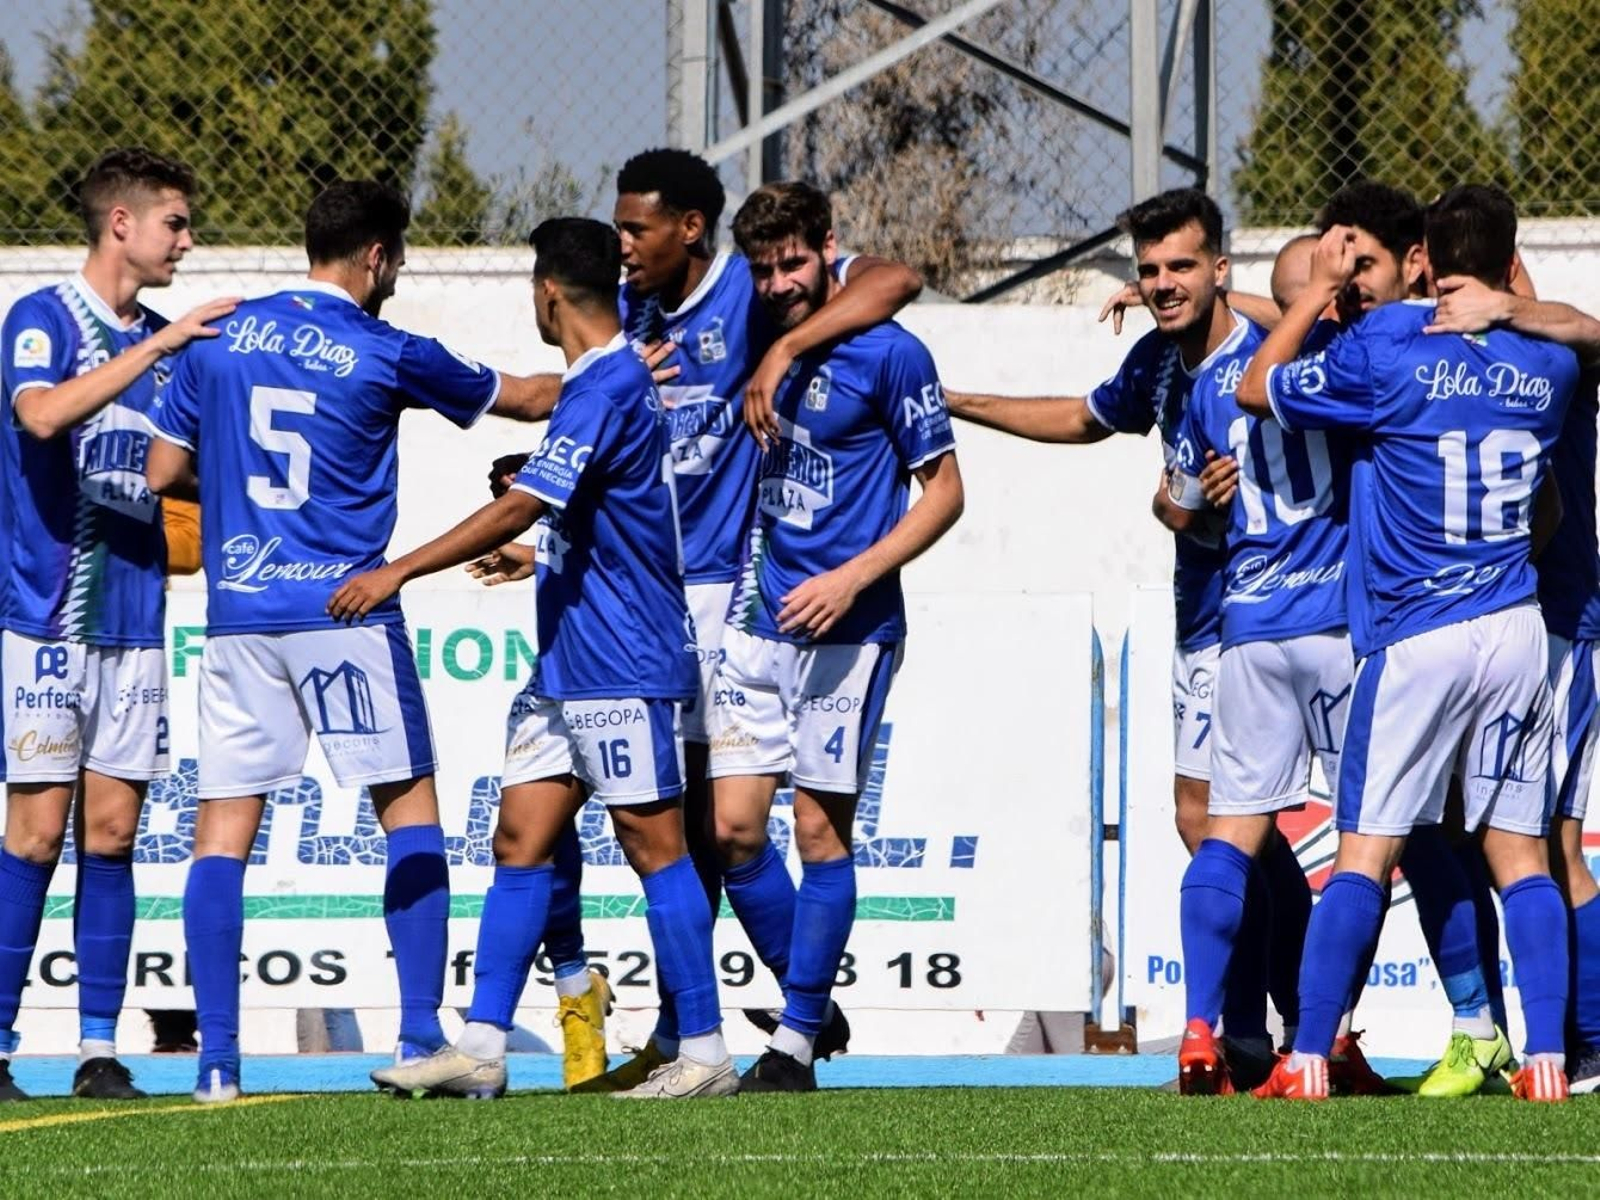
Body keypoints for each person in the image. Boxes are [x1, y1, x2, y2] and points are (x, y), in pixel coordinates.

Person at [143, 179, 550, 1103]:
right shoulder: (383, 347)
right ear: (375, 256)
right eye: (396, 260)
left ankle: (216, 1065)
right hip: (346, 613)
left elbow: (165, 469)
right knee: (408, 814)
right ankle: (416, 1034)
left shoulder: (222, 335)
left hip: (241, 615)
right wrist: (615, 377)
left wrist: (240, 488)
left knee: (221, 836)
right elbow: (525, 401)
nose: (396, 274)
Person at [351, 216, 737, 1100]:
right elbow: (602, 522)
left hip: (622, 662)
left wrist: (398, 569)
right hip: (571, 660)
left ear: (548, 293)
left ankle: (707, 1052)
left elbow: (526, 501)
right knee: (520, 840)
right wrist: (541, 560)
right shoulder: (606, 384)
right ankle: (483, 1048)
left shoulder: (602, 389)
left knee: (655, 848)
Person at [562, 148, 922, 1090]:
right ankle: (731, 1021)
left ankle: (771, 1026)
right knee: (703, 825)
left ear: (688, 228)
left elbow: (896, 278)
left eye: (636, 227)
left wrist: (785, 344)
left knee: (728, 829)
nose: (622, 244)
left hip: (736, 595)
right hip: (657, 591)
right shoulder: (633, 316)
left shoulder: (752, 298)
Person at [945, 188, 1311, 1069]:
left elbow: (1247, 501)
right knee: (1203, 823)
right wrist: (958, 401)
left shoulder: (1263, 357)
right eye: (1149, 270)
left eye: (1181, 266)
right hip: (1201, 615)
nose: (1161, 283)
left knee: (1245, 827)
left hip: (1276, 614)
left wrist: (1199, 511)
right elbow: (1081, 418)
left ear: (1221, 270)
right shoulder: (1156, 361)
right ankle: (1278, 1022)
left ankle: (1285, 1024)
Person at [1242, 186, 1579, 1103]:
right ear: (1512, 261)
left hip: (1416, 632)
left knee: (1365, 855)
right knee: (1522, 855)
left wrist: (1316, 291)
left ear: (1426, 253)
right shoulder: (1548, 360)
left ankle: (1308, 1056)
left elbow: (1253, 386)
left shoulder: (1390, 345)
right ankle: (1545, 1059)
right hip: (1515, 626)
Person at [707, 182, 964, 1091]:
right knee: (734, 831)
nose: (779, 283)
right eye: (764, 270)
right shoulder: (745, 330)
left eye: (795, 263)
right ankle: (809, 994)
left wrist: (854, 576)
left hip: (850, 628)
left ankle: (798, 1042)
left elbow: (945, 492)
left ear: (829, 250)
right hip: (758, 615)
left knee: (819, 831)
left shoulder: (892, 355)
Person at [0, 147, 238, 1101]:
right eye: (174, 222)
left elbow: (172, 469)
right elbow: (45, 415)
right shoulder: (43, 318)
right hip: (45, 620)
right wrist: (157, 348)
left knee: (111, 832)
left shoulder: (168, 346)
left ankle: (100, 1049)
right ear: (122, 225)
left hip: (136, 621)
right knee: (32, 834)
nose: (186, 239)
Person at [1164, 304, 1348, 1095]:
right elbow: (1176, 500)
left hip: (1247, 623)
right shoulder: (1357, 366)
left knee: (1226, 829)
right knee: (1382, 842)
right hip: (1342, 621)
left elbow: (1170, 498)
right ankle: (1323, 1046)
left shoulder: (1215, 382)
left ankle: (1201, 1030)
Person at [1425, 274, 1600, 1091]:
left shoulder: (1553, 346)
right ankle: (1489, 1036)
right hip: (1480, 634)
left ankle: (1588, 1038)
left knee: (1552, 845)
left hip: (1557, 622)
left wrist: (1509, 307)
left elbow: (1590, 328)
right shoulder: (1446, 352)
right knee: (1462, 839)